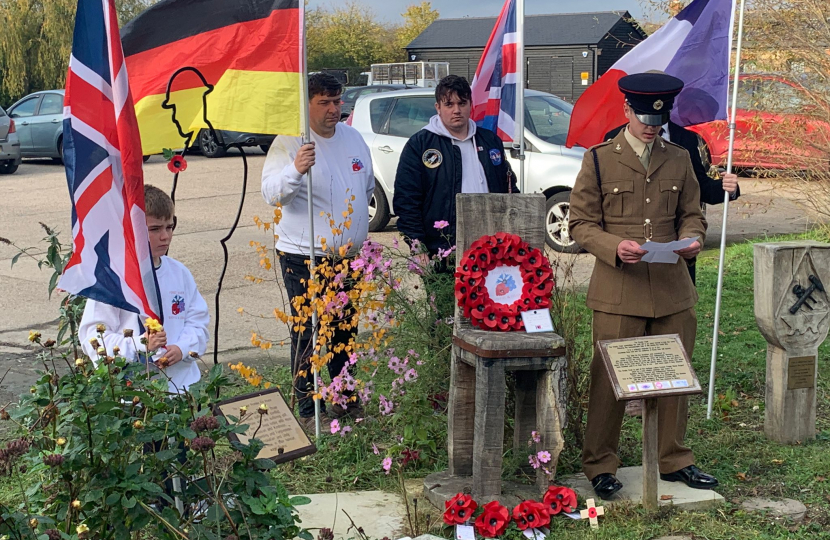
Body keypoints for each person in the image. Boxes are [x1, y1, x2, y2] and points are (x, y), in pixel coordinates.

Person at [569, 72, 719, 500]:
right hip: (619, 287)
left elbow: (694, 212)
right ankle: (600, 464)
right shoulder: (599, 158)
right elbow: (580, 223)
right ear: (626, 111)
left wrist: (693, 238)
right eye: (642, 117)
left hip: (672, 286)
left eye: (658, 119)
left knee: (675, 374)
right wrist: (616, 245)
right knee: (608, 379)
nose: (650, 126)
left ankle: (673, 459)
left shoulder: (679, 156)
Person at [261, 73, 374, 432]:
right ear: (306, 104)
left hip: (347, 257)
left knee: (344, 331)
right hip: (303, 256)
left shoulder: (353, 138)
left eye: (337, 101)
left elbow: (366, 184)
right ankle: (309, 408)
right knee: (309, 332)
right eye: (324, 102)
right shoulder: (291, 142)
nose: (333, 109)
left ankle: (344, 398)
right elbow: (271, 194)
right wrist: (295, 170)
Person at [604, 73, 740, 285]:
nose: (652, 126)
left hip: (674, 254)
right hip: (630, 258)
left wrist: (727, 188)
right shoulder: (612, 141)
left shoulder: (688, 141)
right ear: (629, 109)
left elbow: (699, 192)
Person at [79, 185, 209, 394]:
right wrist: (140, 345)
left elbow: (198, 322)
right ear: (133, 230)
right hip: (135, 395)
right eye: (155, 229)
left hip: (182, 388)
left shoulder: (179, 273)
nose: (165, 236)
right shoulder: (114, 280)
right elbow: (92, 338)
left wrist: (182, 348)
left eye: (170, 227)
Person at [394, 75, 518, 265]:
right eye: (449, 104)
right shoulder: (420, 145)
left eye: (462, 103)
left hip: (491, 248)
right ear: (438, 107)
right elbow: (406, 200)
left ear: (471, 105)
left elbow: (509, 190)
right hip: (442, 250)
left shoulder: (490, 141)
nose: (456, 110)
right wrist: (417, 247)